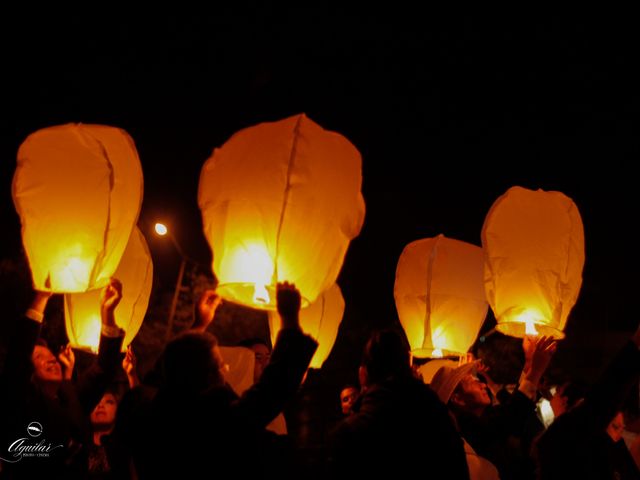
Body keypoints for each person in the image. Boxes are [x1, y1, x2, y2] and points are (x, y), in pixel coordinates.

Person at [113, 282, 317, 478]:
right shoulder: (213, 423)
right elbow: (268, 394)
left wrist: (199, 324)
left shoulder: (153, 416)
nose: (225, 368)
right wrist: (289, 320)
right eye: (220, 364)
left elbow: (170, 367)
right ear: (207, 375)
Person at [0, 278, 125, 478]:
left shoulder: (72, 400)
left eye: (50, 354)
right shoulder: (19, 401)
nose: (51, 359)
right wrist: (41, 298)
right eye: (39, 357)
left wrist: (108, 314)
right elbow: (17, 357)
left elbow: (104, 369)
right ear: (29, 372)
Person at [329, 329, 469, 478]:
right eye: (344, 399)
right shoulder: (442, 420)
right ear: (409, 369)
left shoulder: (348, 435)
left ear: (363, 375)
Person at [430, 335, 556, 480]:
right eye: (473, 382)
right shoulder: (469, 433)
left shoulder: (485, 419)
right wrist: (536, 371)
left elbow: (510, 410)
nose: (483, 385)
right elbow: (511, 416)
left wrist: (529, 364)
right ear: (457, 399)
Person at [535, 323, 640, 479]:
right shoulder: (564, 443)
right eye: (614, 426)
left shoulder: (615, 451)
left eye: (619, 428)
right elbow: (604, 396)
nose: (618, 434)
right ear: (579, 403)